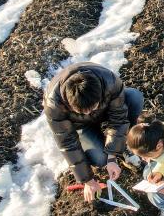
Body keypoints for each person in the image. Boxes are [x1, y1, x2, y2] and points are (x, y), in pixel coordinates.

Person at [43, 62, 143, 203]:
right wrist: (88, 180)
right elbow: (67, 142)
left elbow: (119, 119)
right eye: (83, 111)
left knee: (134, 97)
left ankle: (125, 142)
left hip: (106, 113)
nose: (89, 112)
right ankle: (97, 138)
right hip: (82, 126)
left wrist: (112, 157)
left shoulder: (109, 81)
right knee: (100, 159)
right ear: (69, 104)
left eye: (93, 107)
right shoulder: (54, 105)